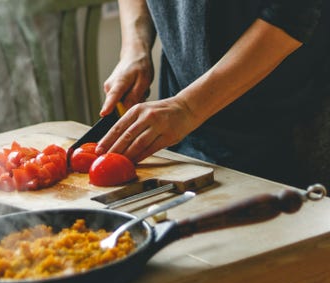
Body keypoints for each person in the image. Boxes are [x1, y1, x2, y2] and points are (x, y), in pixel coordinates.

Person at [95, 0, 330, 188]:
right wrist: (135, 48)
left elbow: (292, 13)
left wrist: (188, 108)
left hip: (288, 124)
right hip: (184, 114)